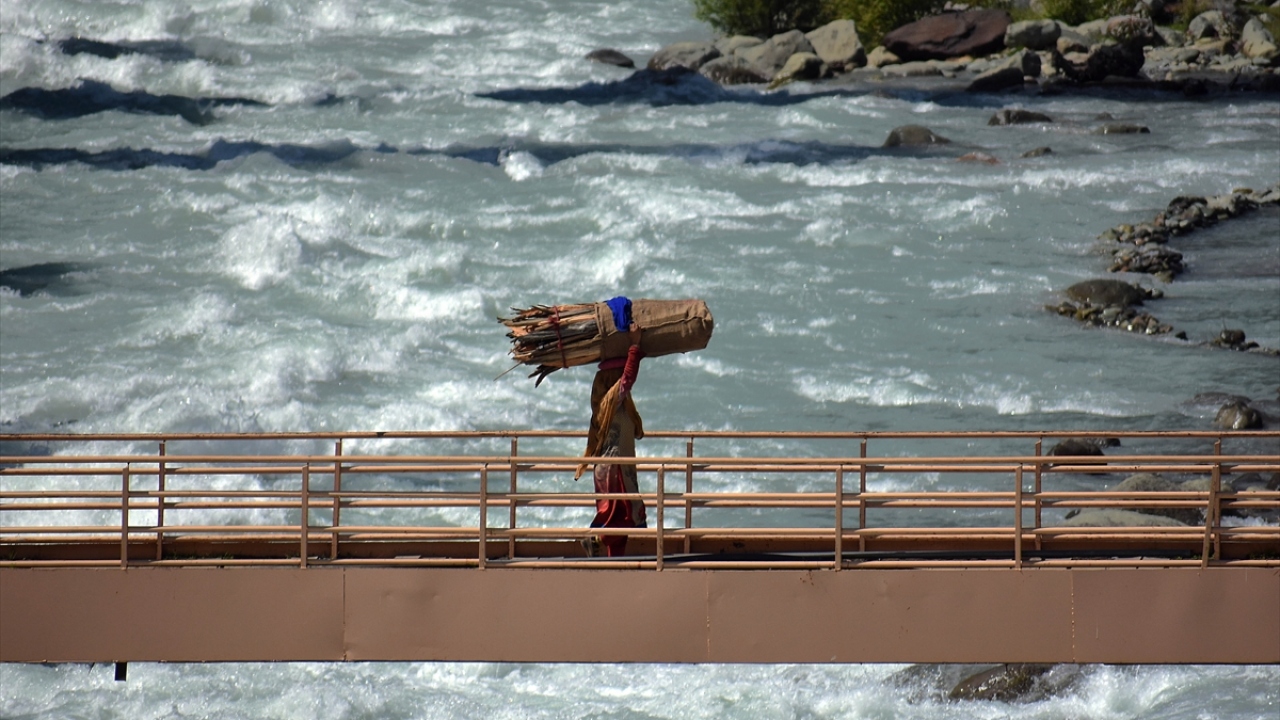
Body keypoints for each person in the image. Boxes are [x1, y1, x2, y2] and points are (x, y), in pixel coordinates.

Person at [575, 322, 646, 557]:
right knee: (625, 519)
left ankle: (615, 564)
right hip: (615, 471)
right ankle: (595, 539)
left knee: (623, 522)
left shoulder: (616, 406)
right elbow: (628, 378)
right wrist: (634, 346)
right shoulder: (609, 403)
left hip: (617, 469)